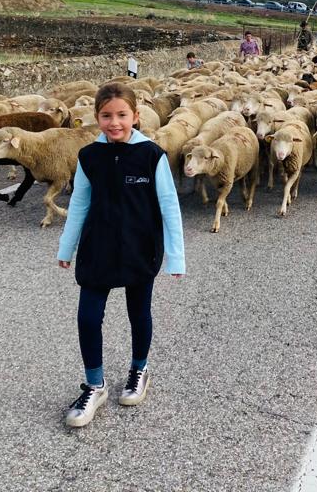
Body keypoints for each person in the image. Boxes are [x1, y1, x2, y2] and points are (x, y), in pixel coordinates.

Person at [57, 82, 185, 426]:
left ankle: (139, 369)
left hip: (139, 249)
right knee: (87, 317)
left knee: (138, 313)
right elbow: (80, 202)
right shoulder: (89, 157)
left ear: (136, 116)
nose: (114, 122)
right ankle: (94, 385)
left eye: (122, 115)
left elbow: (169, 206)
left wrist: (176, 256)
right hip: (97, 248)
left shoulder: (151, 155)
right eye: (106, 116)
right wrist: (66, 246)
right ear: (97, 117)